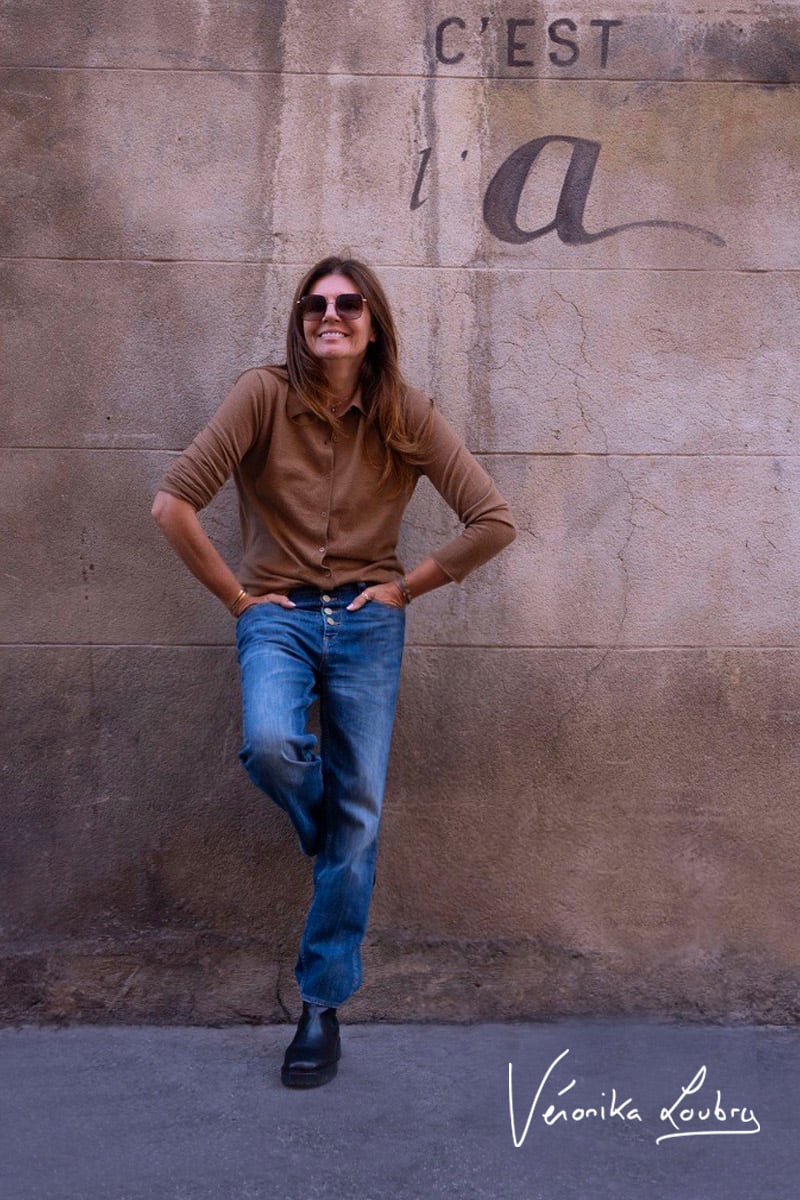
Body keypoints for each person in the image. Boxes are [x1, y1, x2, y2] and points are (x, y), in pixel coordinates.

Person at [151, 255, 516, 1088]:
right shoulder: (261, 395)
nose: (331, 315)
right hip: (276, 615)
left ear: (373, 324)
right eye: (315, 304)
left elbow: (492, 520)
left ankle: (320, 1005)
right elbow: (172, 505)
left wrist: (408, 587)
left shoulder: (405, 412)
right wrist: (238, 599)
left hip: (366, 622)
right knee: (274, 748)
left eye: (349, 304)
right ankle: (335, 830)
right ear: (300, 321)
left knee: (360, 814)